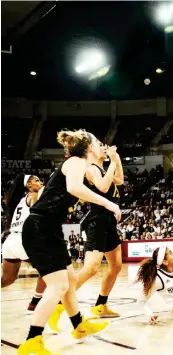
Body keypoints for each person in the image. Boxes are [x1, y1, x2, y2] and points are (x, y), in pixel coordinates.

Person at [18, 129, 121, 355]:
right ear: (89, 148)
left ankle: (79, 327)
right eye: (97, 141)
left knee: (71, 279)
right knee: (59, 286)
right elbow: (74, 189)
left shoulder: (81, 169)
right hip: (39, 228)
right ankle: (32, 341)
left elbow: (84, 189)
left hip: (50, 228)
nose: (100, 144)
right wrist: (108, 204)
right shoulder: (76, 162)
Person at [47, 143, 124, 332]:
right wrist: (112, 162)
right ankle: (58, 304)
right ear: (91, 151)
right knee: (91, 268)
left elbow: (119, 180)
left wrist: (116, 159)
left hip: (109, 221)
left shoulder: (103, 168)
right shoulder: (91, 169)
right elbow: (104, 187)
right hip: (97, 220)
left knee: (116, 265)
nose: (103, 147)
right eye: (100, 145)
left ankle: (100, 305)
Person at [1, 174, 47, 313]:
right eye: (37, 180)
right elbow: (35, 215)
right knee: (51, 271)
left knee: (7, 280)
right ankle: (35, 303)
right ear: (29, 185)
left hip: (10, 243)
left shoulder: (21, 200)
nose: (40, 182)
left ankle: (35, 302)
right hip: (23, 240)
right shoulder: (33, 195)